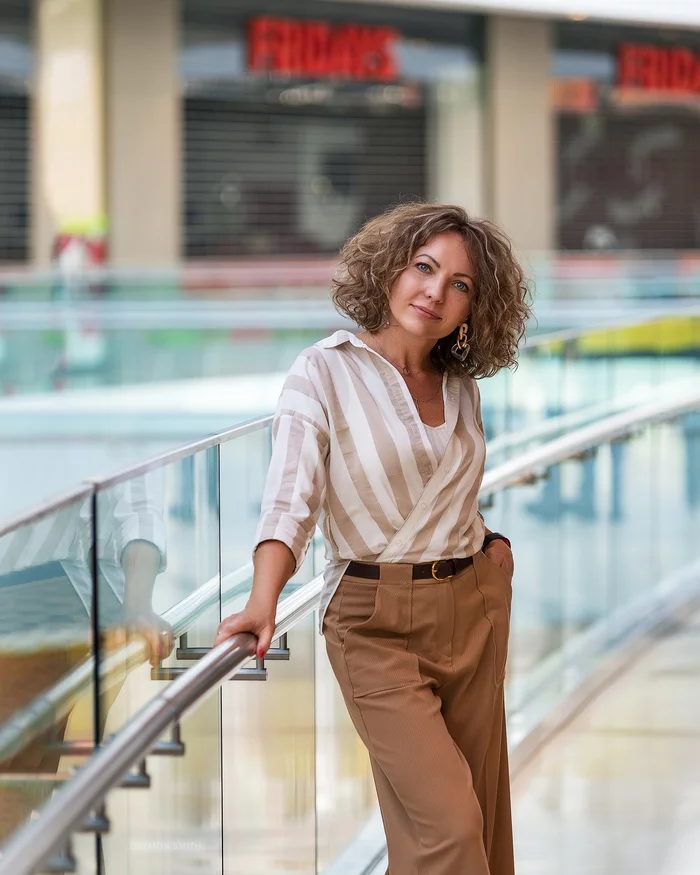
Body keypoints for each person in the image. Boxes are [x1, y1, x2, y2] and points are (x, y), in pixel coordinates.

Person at [215, 202, 531, 874]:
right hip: (373, 625)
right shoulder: (322, 371)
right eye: (424, 267)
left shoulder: (461, 387)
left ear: (474, 307)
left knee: (476, 823)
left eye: (460, 284)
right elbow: (290, 498)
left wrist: (492, 554)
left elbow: (449, 491)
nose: (435, 292)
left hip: (473, 606)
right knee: (450, 827)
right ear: (390, 268)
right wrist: (262, 597)